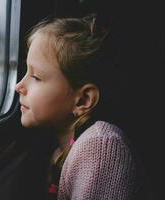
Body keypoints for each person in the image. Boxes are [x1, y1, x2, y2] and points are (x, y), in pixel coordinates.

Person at [15, 14, 147, 200]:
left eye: (36, 77)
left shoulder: (101, 148)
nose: (18, 86)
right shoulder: (56, 146)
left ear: (83, 100)